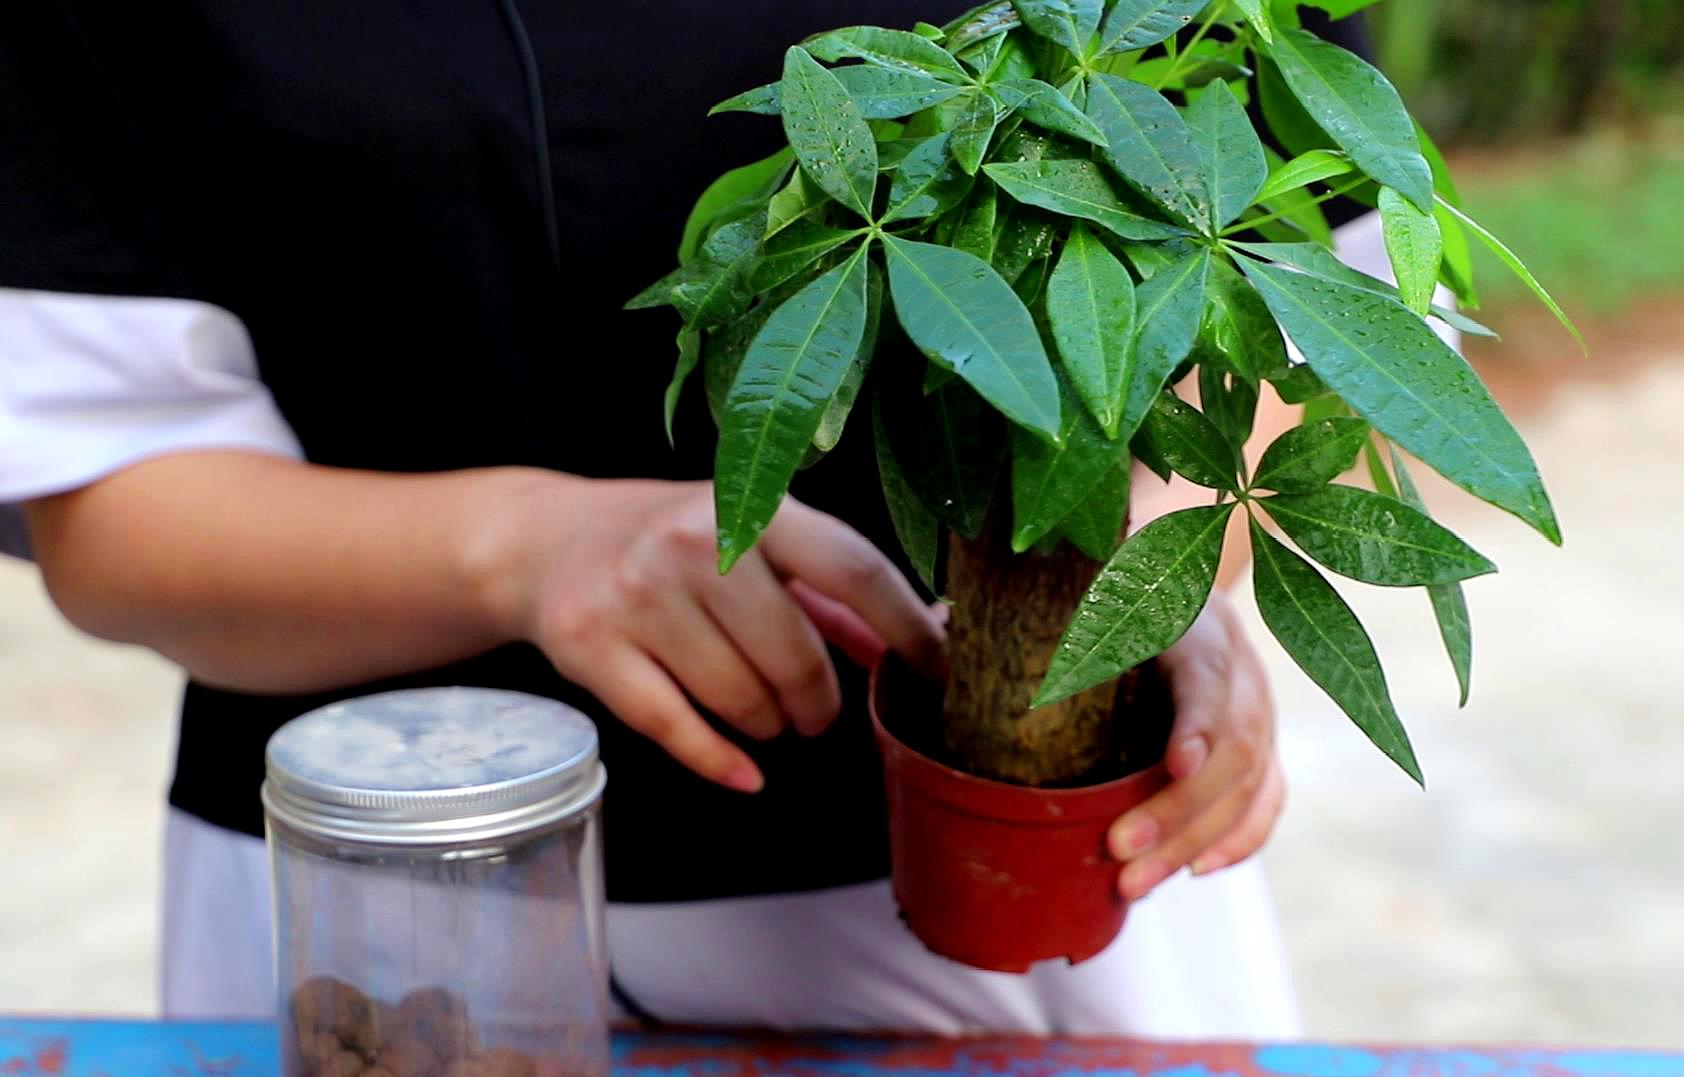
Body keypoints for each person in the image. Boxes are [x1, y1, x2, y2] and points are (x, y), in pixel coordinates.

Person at [0, 0, 1382, 1037]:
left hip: (1019, 902)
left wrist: (1146, 577)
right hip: (376, 935)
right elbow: (112, 501)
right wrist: (530, 548)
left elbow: (1301, 322)